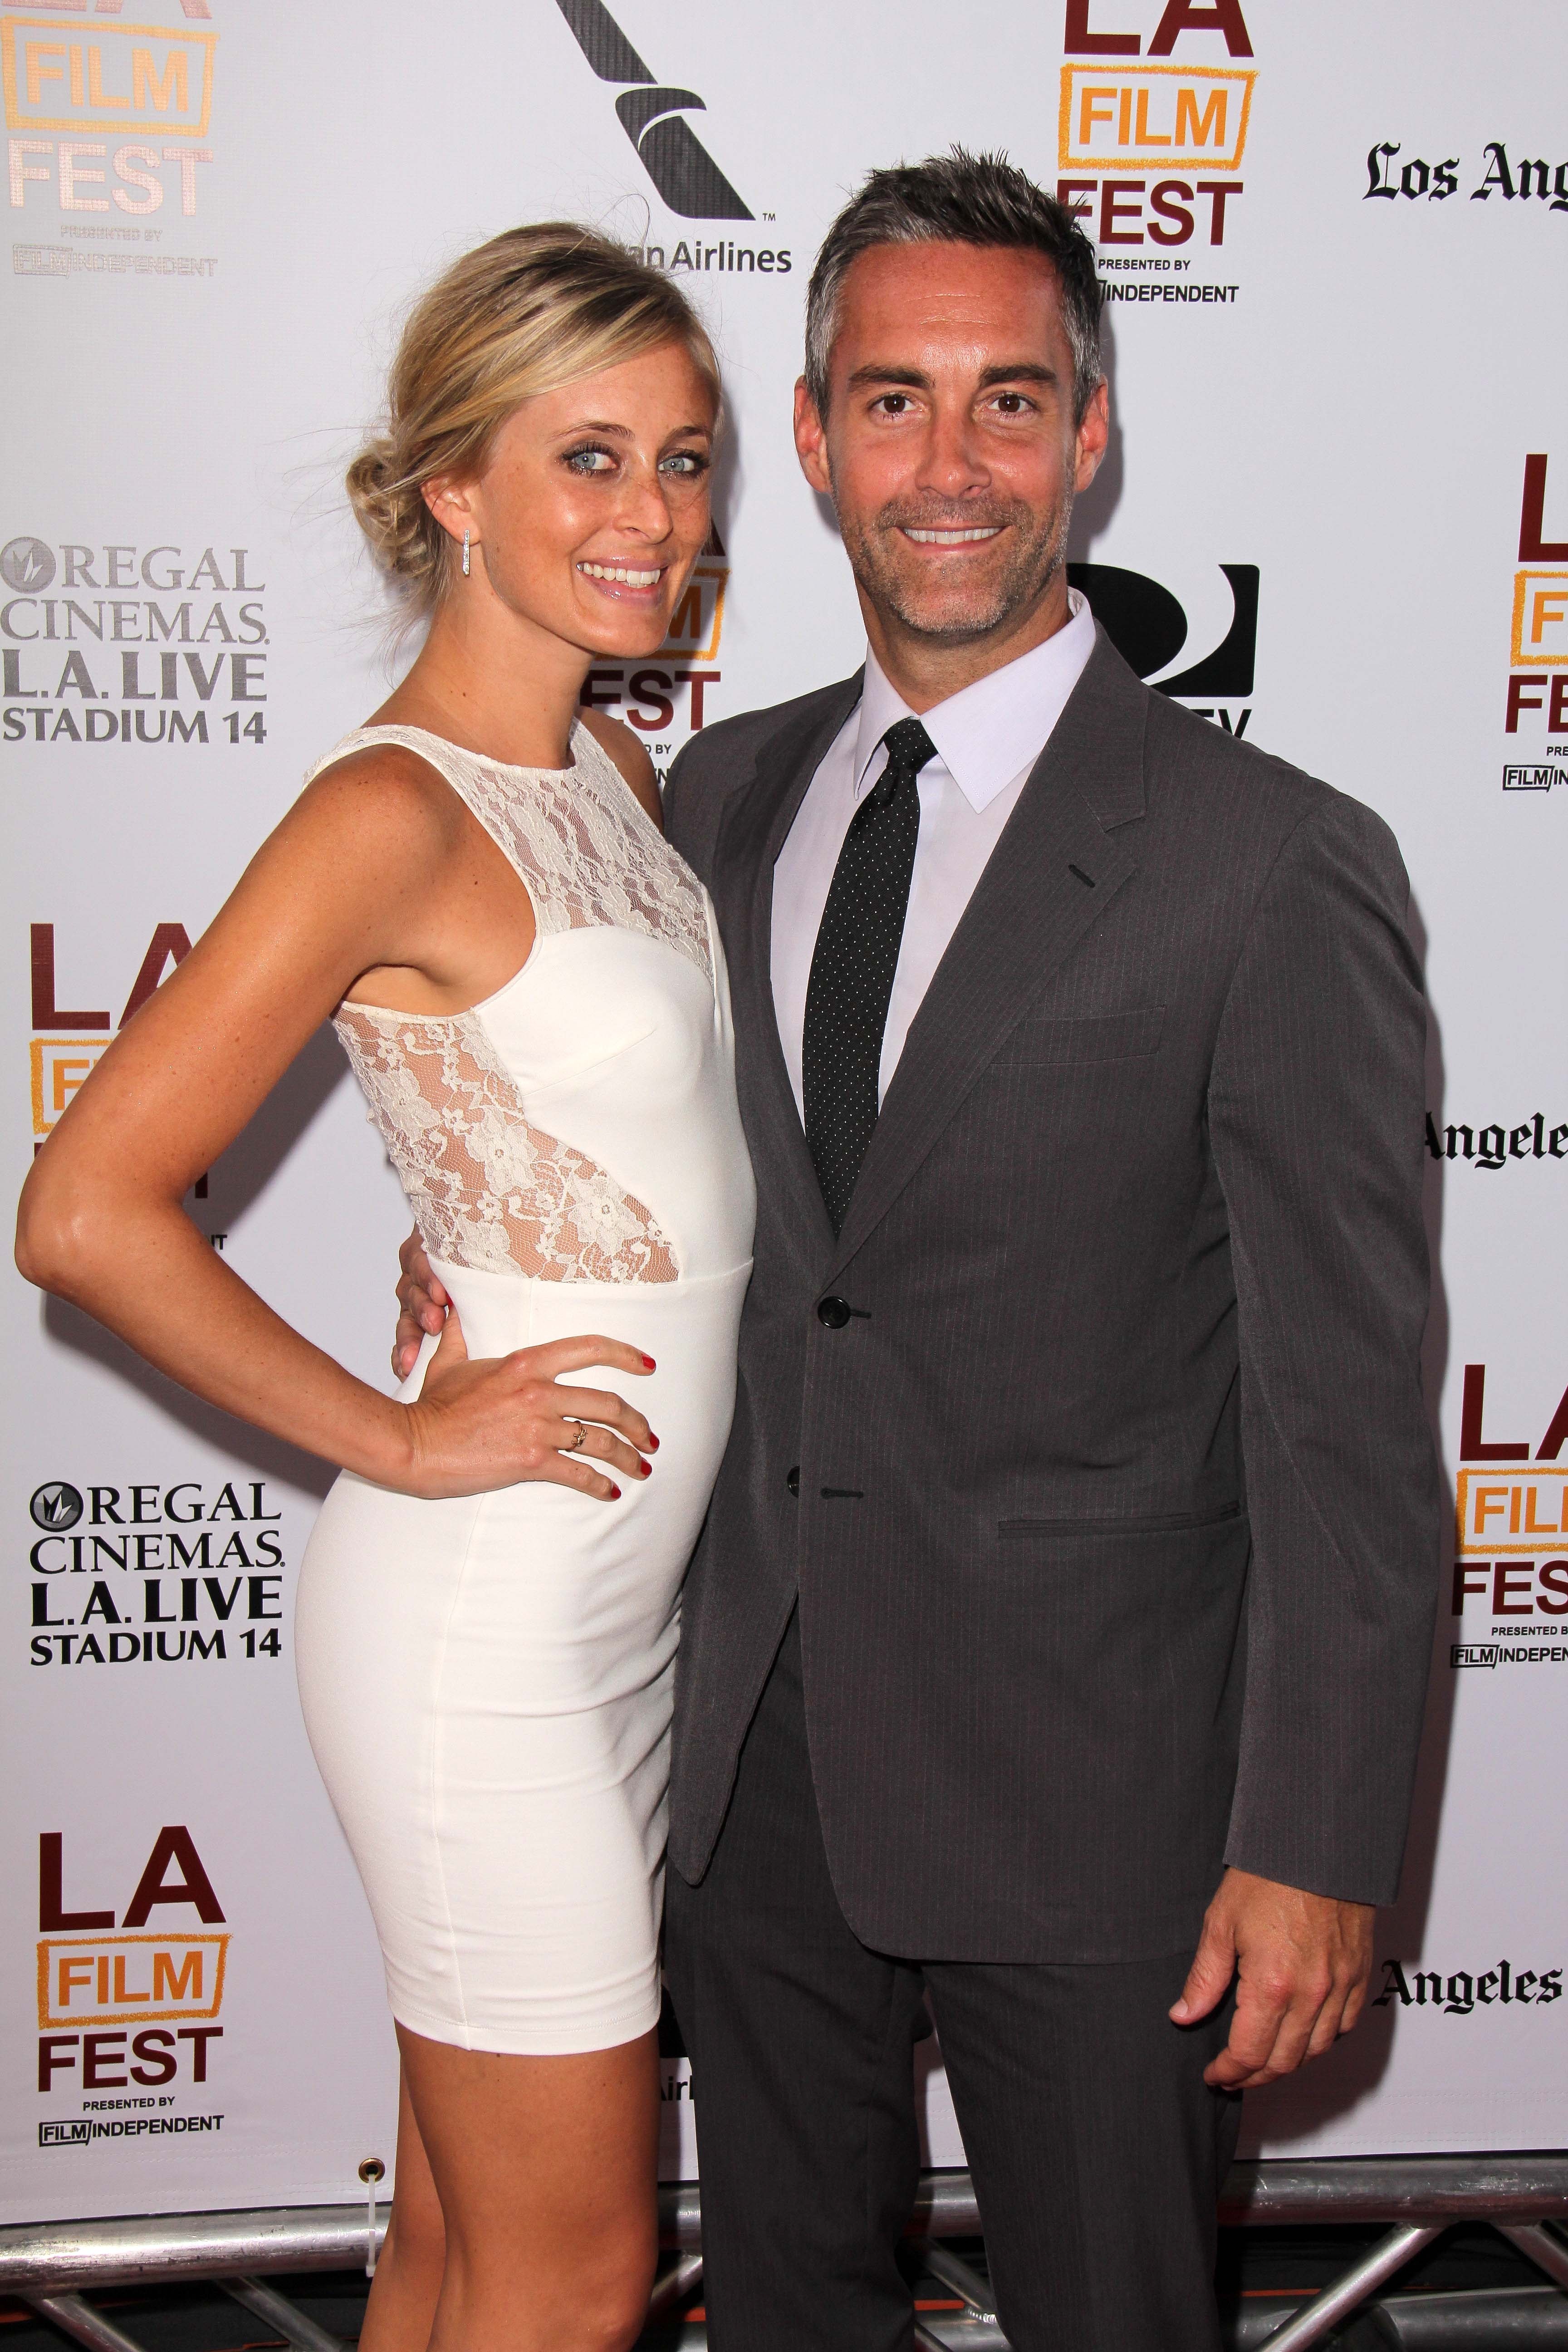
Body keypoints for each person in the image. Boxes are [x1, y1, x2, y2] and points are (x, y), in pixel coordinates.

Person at [398, 155, 1447, 2351]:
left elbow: (1350, 1417)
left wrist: (1324, 1841)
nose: (947, 463)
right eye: (891, 401)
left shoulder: (1274, 864)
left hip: (1113, 1813)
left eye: (1006, 401)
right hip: (754, 1767)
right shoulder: (708, 802)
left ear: (1091, 435)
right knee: (781, 2316)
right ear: (809, 437)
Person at [17, 224, 755, 2352]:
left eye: (688, 461)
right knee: (582, 2271)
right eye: (590, 457)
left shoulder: (613, 772)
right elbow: (87, 1208)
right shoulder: (384, 808)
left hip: (622, 1630)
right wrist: (404, 1428)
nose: (657, 520)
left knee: (455, 2258)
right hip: (484, 1637)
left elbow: (607, 1135)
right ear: (452, 485)